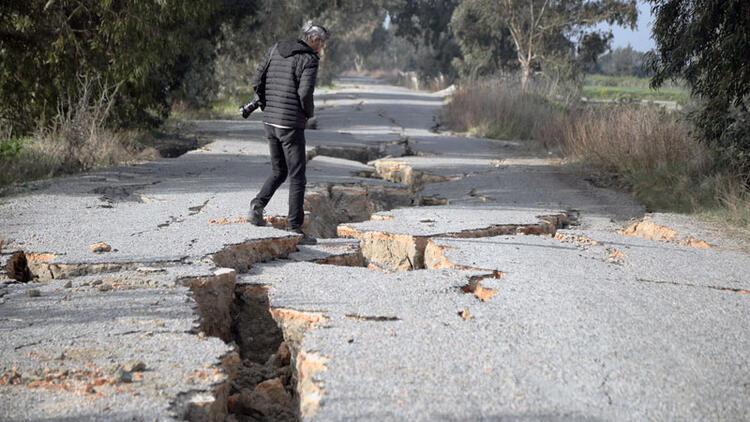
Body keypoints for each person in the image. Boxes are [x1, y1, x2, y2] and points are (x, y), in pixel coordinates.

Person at [246, 23, 329, 245]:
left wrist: (265, 103)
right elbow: (305, 93)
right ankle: (294, 228)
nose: (322, 48)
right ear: (314, 40)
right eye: (322, 43)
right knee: (297, 176)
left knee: (279, 170)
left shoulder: (276, 48)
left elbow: (256, 80)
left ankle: (256, 205)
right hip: (290, 124)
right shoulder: (309, 59)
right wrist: (308, 113)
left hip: (270, 121)